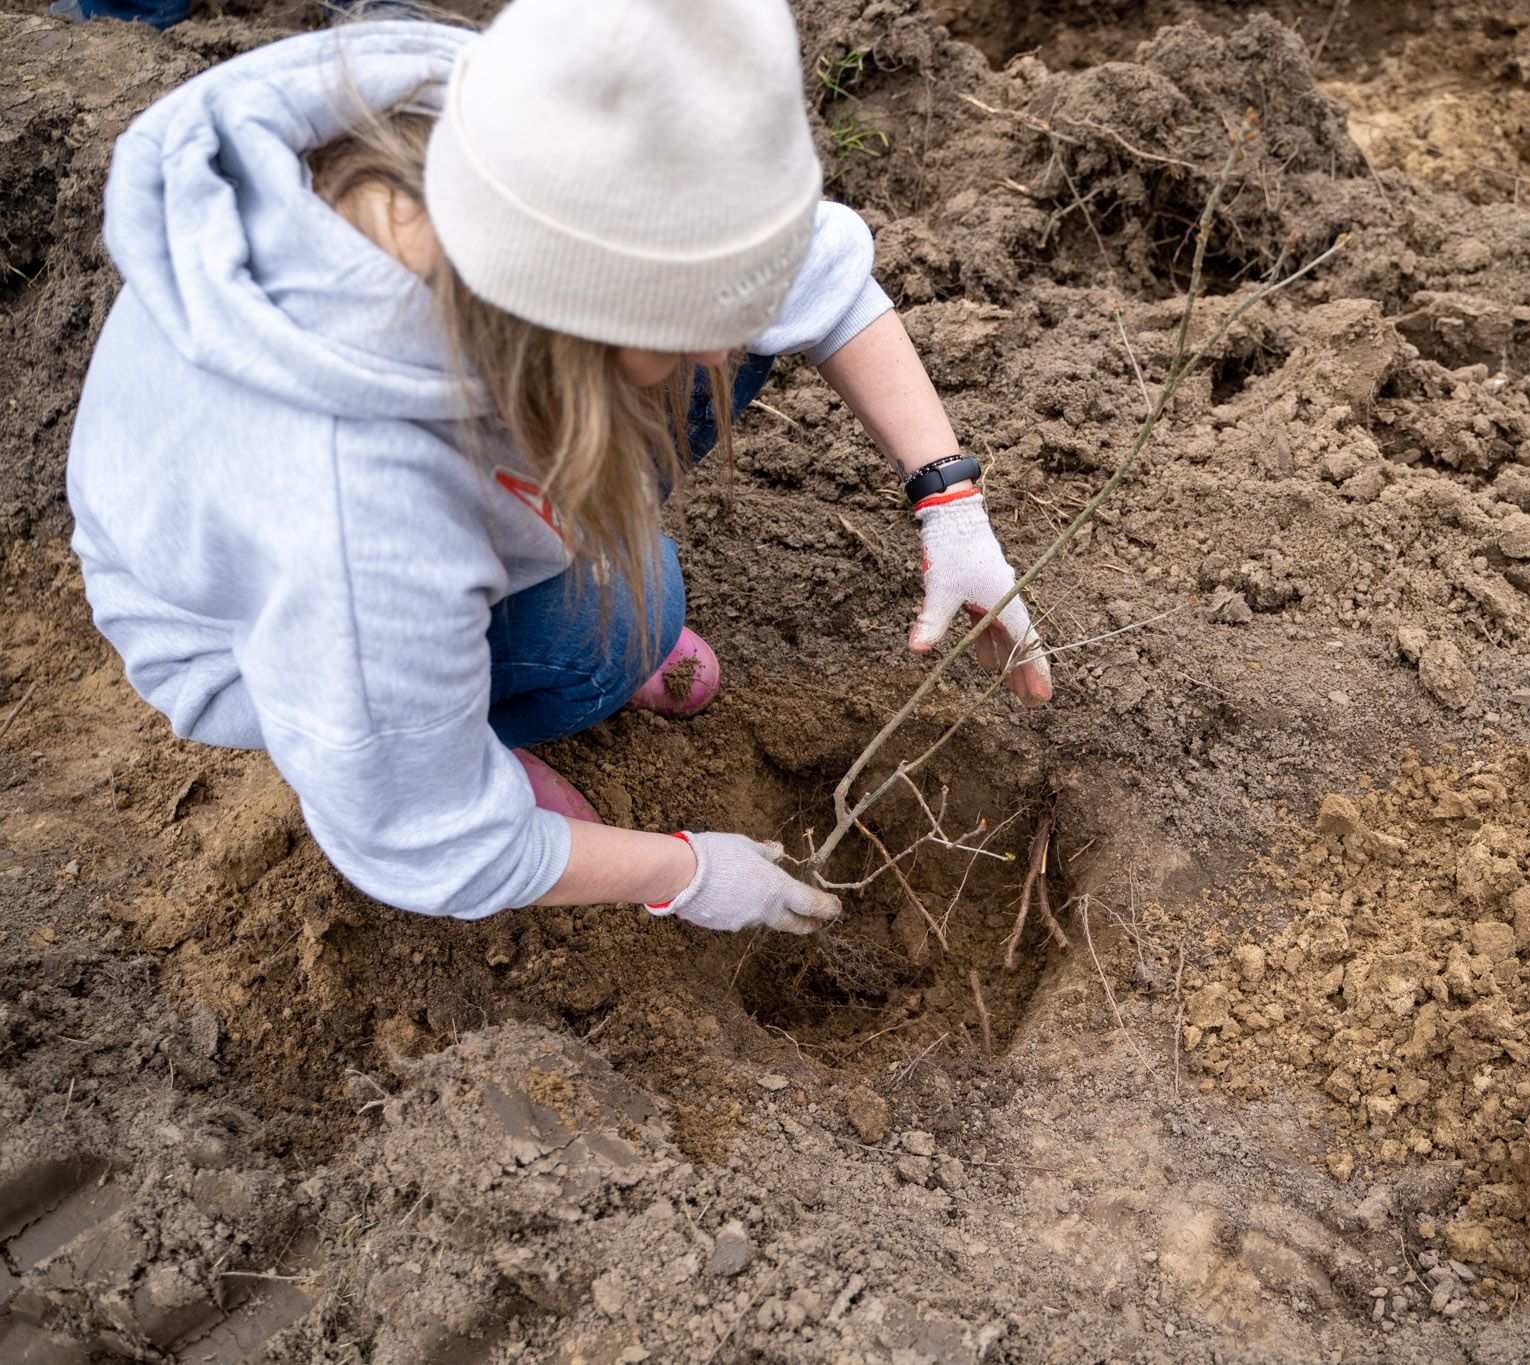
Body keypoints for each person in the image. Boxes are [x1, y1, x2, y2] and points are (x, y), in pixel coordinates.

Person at [66, 0, 1052, 936]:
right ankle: (467, 740)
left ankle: (499, 657)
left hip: (457, 464)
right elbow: (431, 848)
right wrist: (684, 872)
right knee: (623, 627)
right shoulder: (353, 522)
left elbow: (821, 280)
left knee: (701, 399)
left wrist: (949, 498)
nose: (713, 355)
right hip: (264, 639)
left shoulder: (542, 146)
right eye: (682, 328)